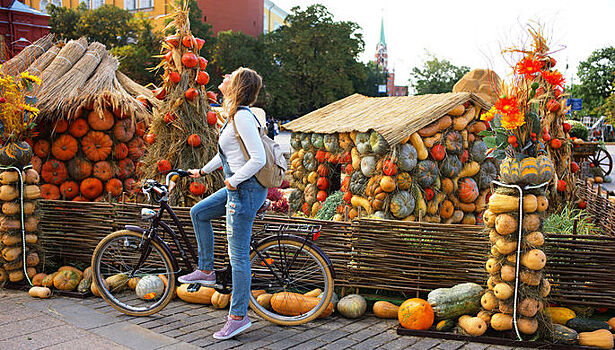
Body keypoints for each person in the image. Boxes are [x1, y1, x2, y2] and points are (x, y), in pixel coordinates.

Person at [180, 67, 267, 340]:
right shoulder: (233, 116)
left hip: (244, 191)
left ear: (237, 85)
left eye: (229, 76)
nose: (224, 78)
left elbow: (258, 159)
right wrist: (203, 172)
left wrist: (233, 181)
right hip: (238, 189)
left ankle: (238, 317)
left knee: (238, 256)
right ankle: (206, 269)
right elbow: (228, 153)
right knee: (199, 212)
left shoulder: (242, 116)